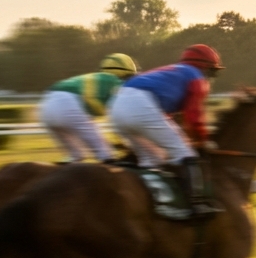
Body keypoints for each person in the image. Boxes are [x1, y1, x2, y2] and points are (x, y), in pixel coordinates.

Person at [109, 43, 224, 215]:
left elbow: (165, 116)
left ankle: (147, 203)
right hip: (140, 106)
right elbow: (194, 116)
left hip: (117, 107)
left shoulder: (176, 72)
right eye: (212, 71)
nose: (211, 77)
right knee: (186, 154)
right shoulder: (196, 77)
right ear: (204, 67)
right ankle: (197, 203)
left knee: (151, 159)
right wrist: (202, 140)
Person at [38, 53, 137, 162]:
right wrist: (126, 144)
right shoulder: (116, 83)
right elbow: (119, 118)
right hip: (67, 104)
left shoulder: (97, 79)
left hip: (46, 106)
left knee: (76, 155)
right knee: (105, 153)